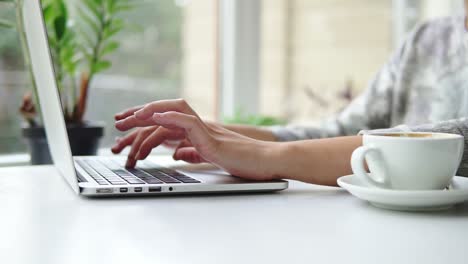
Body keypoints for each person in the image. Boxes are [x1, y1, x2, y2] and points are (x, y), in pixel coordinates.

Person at [112, 5, 468, 186]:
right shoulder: (430, 40)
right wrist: (220, 134)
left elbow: (459, 142)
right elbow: (345, 129)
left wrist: (269, 156)